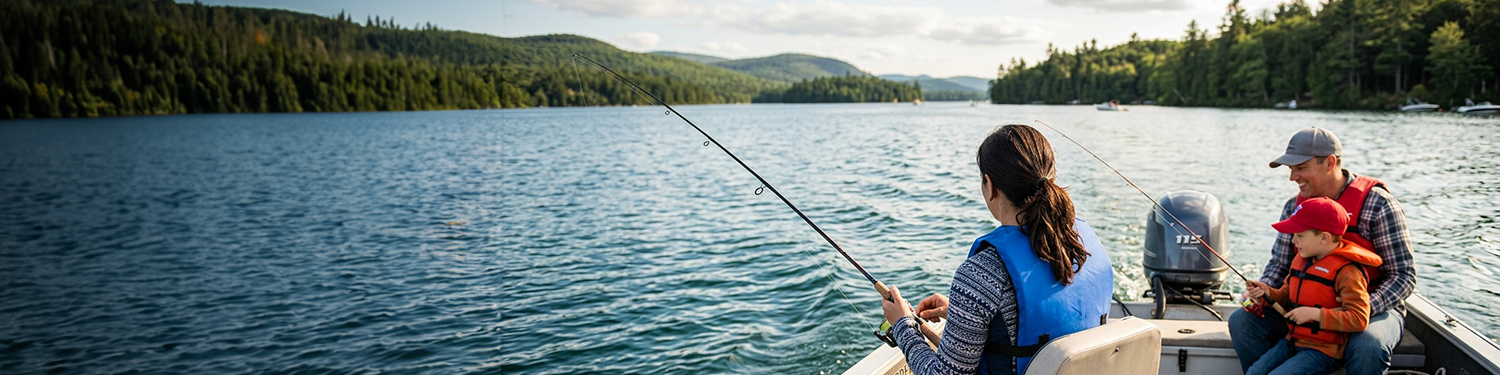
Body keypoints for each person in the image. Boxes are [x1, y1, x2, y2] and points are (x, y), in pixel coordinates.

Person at [878, 125, 1114, 375]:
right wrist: (965, 315)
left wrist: (903, 324)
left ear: (990, 186)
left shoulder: (982, 273)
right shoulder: (1085, 245)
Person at [1230, 127, 1416, 375]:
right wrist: (1262, 292)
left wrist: (1351, 311)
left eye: (1300, 168)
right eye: (1290, 169)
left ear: (1329, 163)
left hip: (1370, 308)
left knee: (1369, 344)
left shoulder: (1379, 204)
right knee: (1242, 322)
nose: (1292, 177)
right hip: (1306, 304)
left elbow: (1403, 275)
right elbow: (1280, 265)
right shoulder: (1293, 208)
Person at [1243, 197, 1383, 375]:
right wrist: (1266, 292)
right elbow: (1285, 296)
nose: (1294, 241)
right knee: (1253, 372)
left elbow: (1359, 319)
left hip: (1323, 352)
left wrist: (1315, 314)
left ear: (1324, 237)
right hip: (1291, 342)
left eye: (1300, 235)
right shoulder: (1301, 260)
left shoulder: (1348, 272)